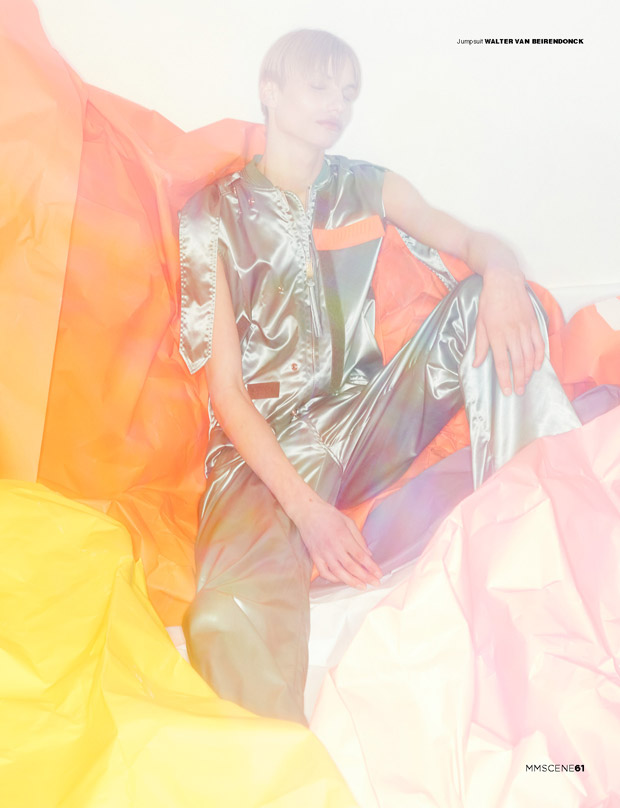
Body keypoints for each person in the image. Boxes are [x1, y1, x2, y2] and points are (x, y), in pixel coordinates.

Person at [178, 29, 580, 724]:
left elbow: (470, 239)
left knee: (486, 301)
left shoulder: (365, 184)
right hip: (262, 455)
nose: (337, 104)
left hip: (364, 421)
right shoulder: (210, 214)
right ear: (270, 91)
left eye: (347, 91)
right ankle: (282, 767)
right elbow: (227, 396)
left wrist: (503, 274)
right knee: (223, 613)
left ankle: (542, 534)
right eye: (319, 86)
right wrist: (310, 514)